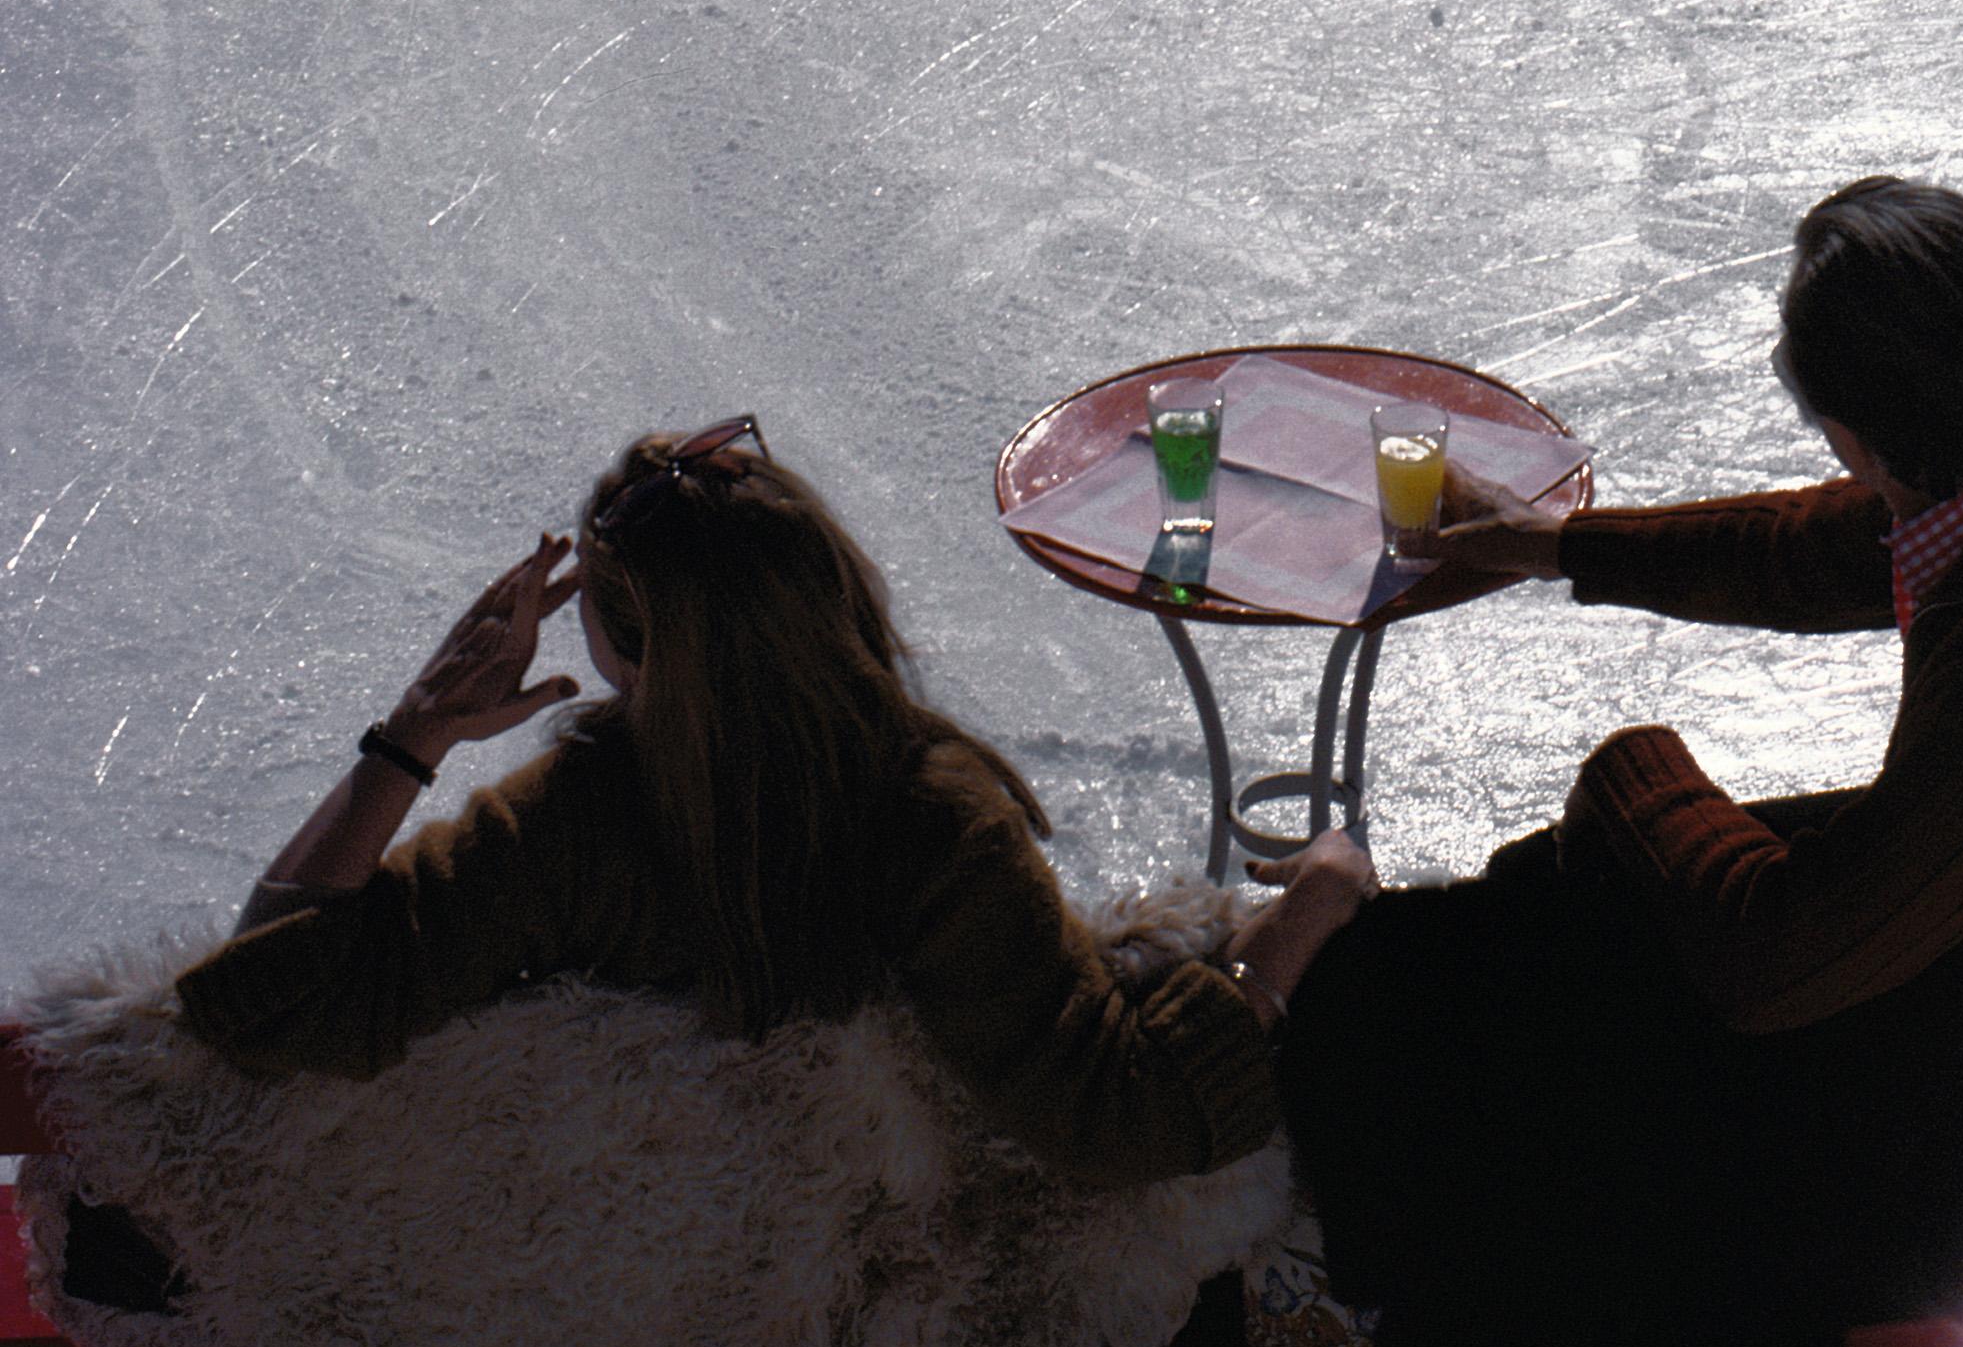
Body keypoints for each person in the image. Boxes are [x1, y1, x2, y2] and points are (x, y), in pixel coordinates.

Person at [1274, 181, 1963, 1347]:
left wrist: (1632, 771)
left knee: (1611, 1003)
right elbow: (1840, 548)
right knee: (1585, 906)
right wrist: (1557, 545)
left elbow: (1778, 960)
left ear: (1858, 434)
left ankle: (1406, 1270)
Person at [164, 417, 1374, 1189]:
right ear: (834, 591)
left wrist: (418, 730)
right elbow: (1124, 1121)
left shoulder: (579, 826)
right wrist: (1310, 909)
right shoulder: (932, 824)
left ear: (624, 654)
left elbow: (276, 989)